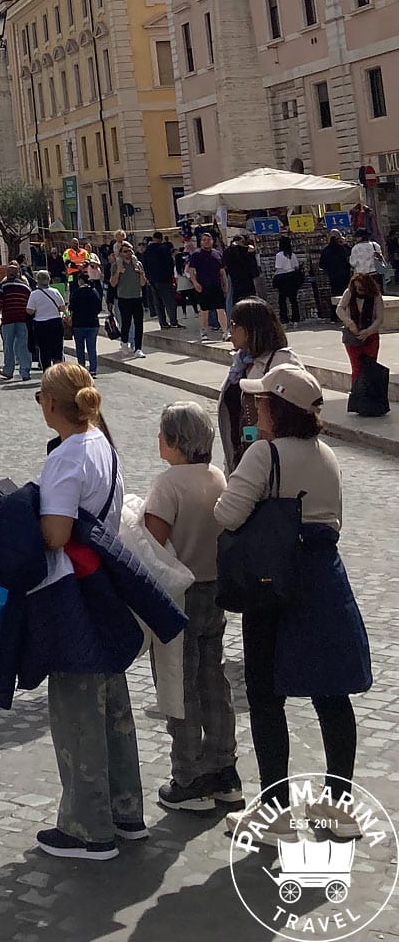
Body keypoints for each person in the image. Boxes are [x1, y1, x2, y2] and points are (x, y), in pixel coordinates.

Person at [213, 364, 370, 839]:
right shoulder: (327, 455)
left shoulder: (264, 454)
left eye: (261, 400)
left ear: (277, 407)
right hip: (323, 577)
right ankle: (339, 809)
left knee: (265, 696)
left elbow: (227, 513)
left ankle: (275, 812)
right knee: (331, 695)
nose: (255, 405)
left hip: (273, 581)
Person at [32, 363, 147, 861]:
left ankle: (88, 827)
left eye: (40, 396)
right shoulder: (101, 442)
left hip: (71, 588)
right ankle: (126, 811)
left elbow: (57, 533)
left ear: (54, 404)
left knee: (78, 706)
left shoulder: (67, 457)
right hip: (105, 580)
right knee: (112, 705)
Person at [143, 402, 239, 814]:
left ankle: (189, 775)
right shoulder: (216, 476)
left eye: (163, 434)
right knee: (213, 679)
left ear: (176, 441)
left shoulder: (169, 484)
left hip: (179, 592)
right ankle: (224, 768)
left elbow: (152, 542)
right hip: (213, 586)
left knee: (179, 684)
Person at [216, 298, 301, 473]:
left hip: (270, 462)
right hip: (241, 457)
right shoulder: (241, 362)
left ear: (250, 329)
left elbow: (296, 410)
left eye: (233, 325)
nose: (230, 332)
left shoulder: (282, 362)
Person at [336, 273, 383, 384]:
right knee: (357, 368)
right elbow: (339, 309)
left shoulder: (375, 296)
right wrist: (349, 322)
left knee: (369, 367)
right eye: (356, 288)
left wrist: (368, 331)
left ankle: (369, 394)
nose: (358, 290)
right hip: (353, 337)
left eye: (361, 288)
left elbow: (380, 318)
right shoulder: (349, 293)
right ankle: (358, 395)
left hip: (370, 336)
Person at [0, 264, 33, 383]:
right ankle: (25, 371)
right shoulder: (25, 286)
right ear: (18, 273)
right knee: (23, 346)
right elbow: (30, 303)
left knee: (8, 346)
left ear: (6, 274)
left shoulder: (3, 286)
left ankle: (8, 370)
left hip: (8, 319)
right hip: (23, 319)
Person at [187, 233, 228, 338]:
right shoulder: (196, 255)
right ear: (201, 242)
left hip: (216, 286)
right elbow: (191, 270)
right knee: (204, 310)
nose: (206, 241)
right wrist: (195, 283)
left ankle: (225, 332)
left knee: (221, 309)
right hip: (203, 286)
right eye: (204, 240)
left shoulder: (217, 253)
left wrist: (225, 284)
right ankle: (204, 332)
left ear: (212, 241)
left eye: (208, 239)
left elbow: (222, 271)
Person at [26, 271, 67, 372]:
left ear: (37, 281)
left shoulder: (34, 294)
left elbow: (30, 311)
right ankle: (58, 373)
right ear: (48, 280)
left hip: (41, 324)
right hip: (56, 322)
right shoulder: (55, 292)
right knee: (58, 349)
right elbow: (62, 307)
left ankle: (47, 372)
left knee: (44, 350)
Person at [68, 269, 103, 377]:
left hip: (79, 324)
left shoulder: (76, 292)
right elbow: (99, 308)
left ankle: (81, 368)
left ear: (80, 281)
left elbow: (71, 307)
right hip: (93, 323)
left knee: (80, 348)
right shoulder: (94, 291)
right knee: (92, 348)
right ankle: (93, 369)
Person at [141, 233, 178, 329]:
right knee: (169, 301)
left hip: (152, 280)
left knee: (158, 302)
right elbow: (170, 263)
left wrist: (148, 277)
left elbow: (144, 265)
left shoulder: (146, 251)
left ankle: (163, 323)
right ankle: (173, 322)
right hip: (164, 279)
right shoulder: (164, 249)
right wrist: (171, 275)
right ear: (161, 239)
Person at [272, 237, 303, 326]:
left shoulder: (279, 255)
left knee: (282, 300)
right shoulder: (292, 255)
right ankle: (295, 320)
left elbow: (278, 267)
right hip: (292, 277)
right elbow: (296, 267)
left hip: (282, 278)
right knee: (293, 300)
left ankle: (284, 320)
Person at [319, 232, 352, 302]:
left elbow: (321, 265)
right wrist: (345, 244)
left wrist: (329, 269)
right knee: (348, 294)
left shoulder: (325, 251)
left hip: (333, 277)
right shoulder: (343, 248)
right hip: (345, 275)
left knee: (336, 295)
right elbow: (351, 253)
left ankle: (337, 310)